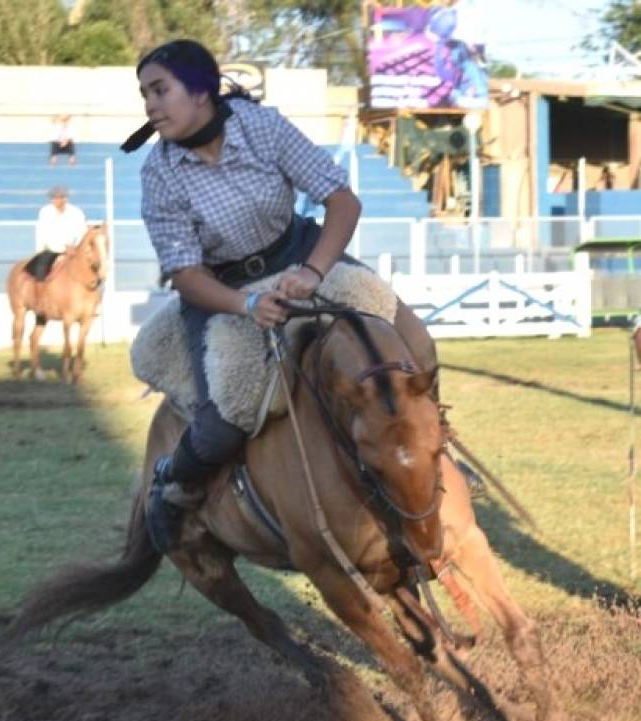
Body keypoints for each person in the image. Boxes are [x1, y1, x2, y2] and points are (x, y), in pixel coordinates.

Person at [122, 39, 440, 554]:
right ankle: (171, 482)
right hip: (224, 290)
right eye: (145, 94)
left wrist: (314, 271)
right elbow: (184, 274)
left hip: (302, 256)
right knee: (226, 421)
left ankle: (427, 454)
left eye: (160, 90)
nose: (150, 105)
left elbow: (341, 199)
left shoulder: (262, 127)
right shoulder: (159, 174)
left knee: (415, 344)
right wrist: (246, 304)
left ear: (201, 90)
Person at [24, 186, 87, 283]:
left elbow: (82, 231)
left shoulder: (76, 213)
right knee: (41, 270)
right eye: (53, 198)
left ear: (65, 199)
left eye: (59, 198)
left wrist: (74, 246)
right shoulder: (45, 212)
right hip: (52, 250)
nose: (55, 201)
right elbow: (44, 234)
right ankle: (41, 293)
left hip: (74, 250)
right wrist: (62, 247)